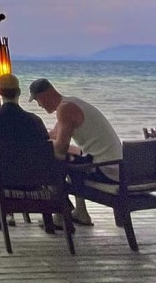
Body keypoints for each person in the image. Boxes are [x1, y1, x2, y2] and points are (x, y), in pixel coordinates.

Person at [29, 78, 123, 227]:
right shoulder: (70, 103)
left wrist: (39, 149)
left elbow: (60, 148)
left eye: (37, 101)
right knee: (72, 158)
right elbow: (53, 135)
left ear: (42, 97)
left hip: (108, 170)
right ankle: (81, 213)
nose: (39, 106)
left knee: (55, 161)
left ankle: (60, 215)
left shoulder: (65, 109)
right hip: (117, 165)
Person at [0, 74, 50, 227]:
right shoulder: (35, 121)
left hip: (3, 180)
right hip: (34, 181)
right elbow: (45, 151)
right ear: (19, 92)